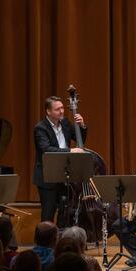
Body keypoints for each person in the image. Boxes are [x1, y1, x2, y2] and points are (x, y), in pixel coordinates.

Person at [33, 96, 86, 226]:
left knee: (65, 213)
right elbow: (46, 149)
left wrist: (82, 126)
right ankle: (44, 244)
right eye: (57, 109)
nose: (62, 111)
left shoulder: (66, 123)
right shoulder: (40, 128)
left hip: (65, 175)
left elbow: (80, 141)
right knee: (48, 214)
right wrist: (70, 151)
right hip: (48, 177)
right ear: (48, 111)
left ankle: (61, 242)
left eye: (62, 108)